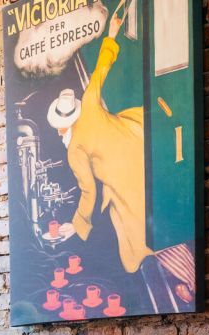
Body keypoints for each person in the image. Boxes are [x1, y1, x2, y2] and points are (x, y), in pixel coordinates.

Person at [55, 0, 153, 274]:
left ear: (62, 127)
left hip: (125, 177)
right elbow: (101, 68)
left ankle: (142, 262)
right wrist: (111, 33)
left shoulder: (74, 148)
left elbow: (89, 191)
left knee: (130, 238)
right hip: (138, 137)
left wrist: (76, 224)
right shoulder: (87, 101)